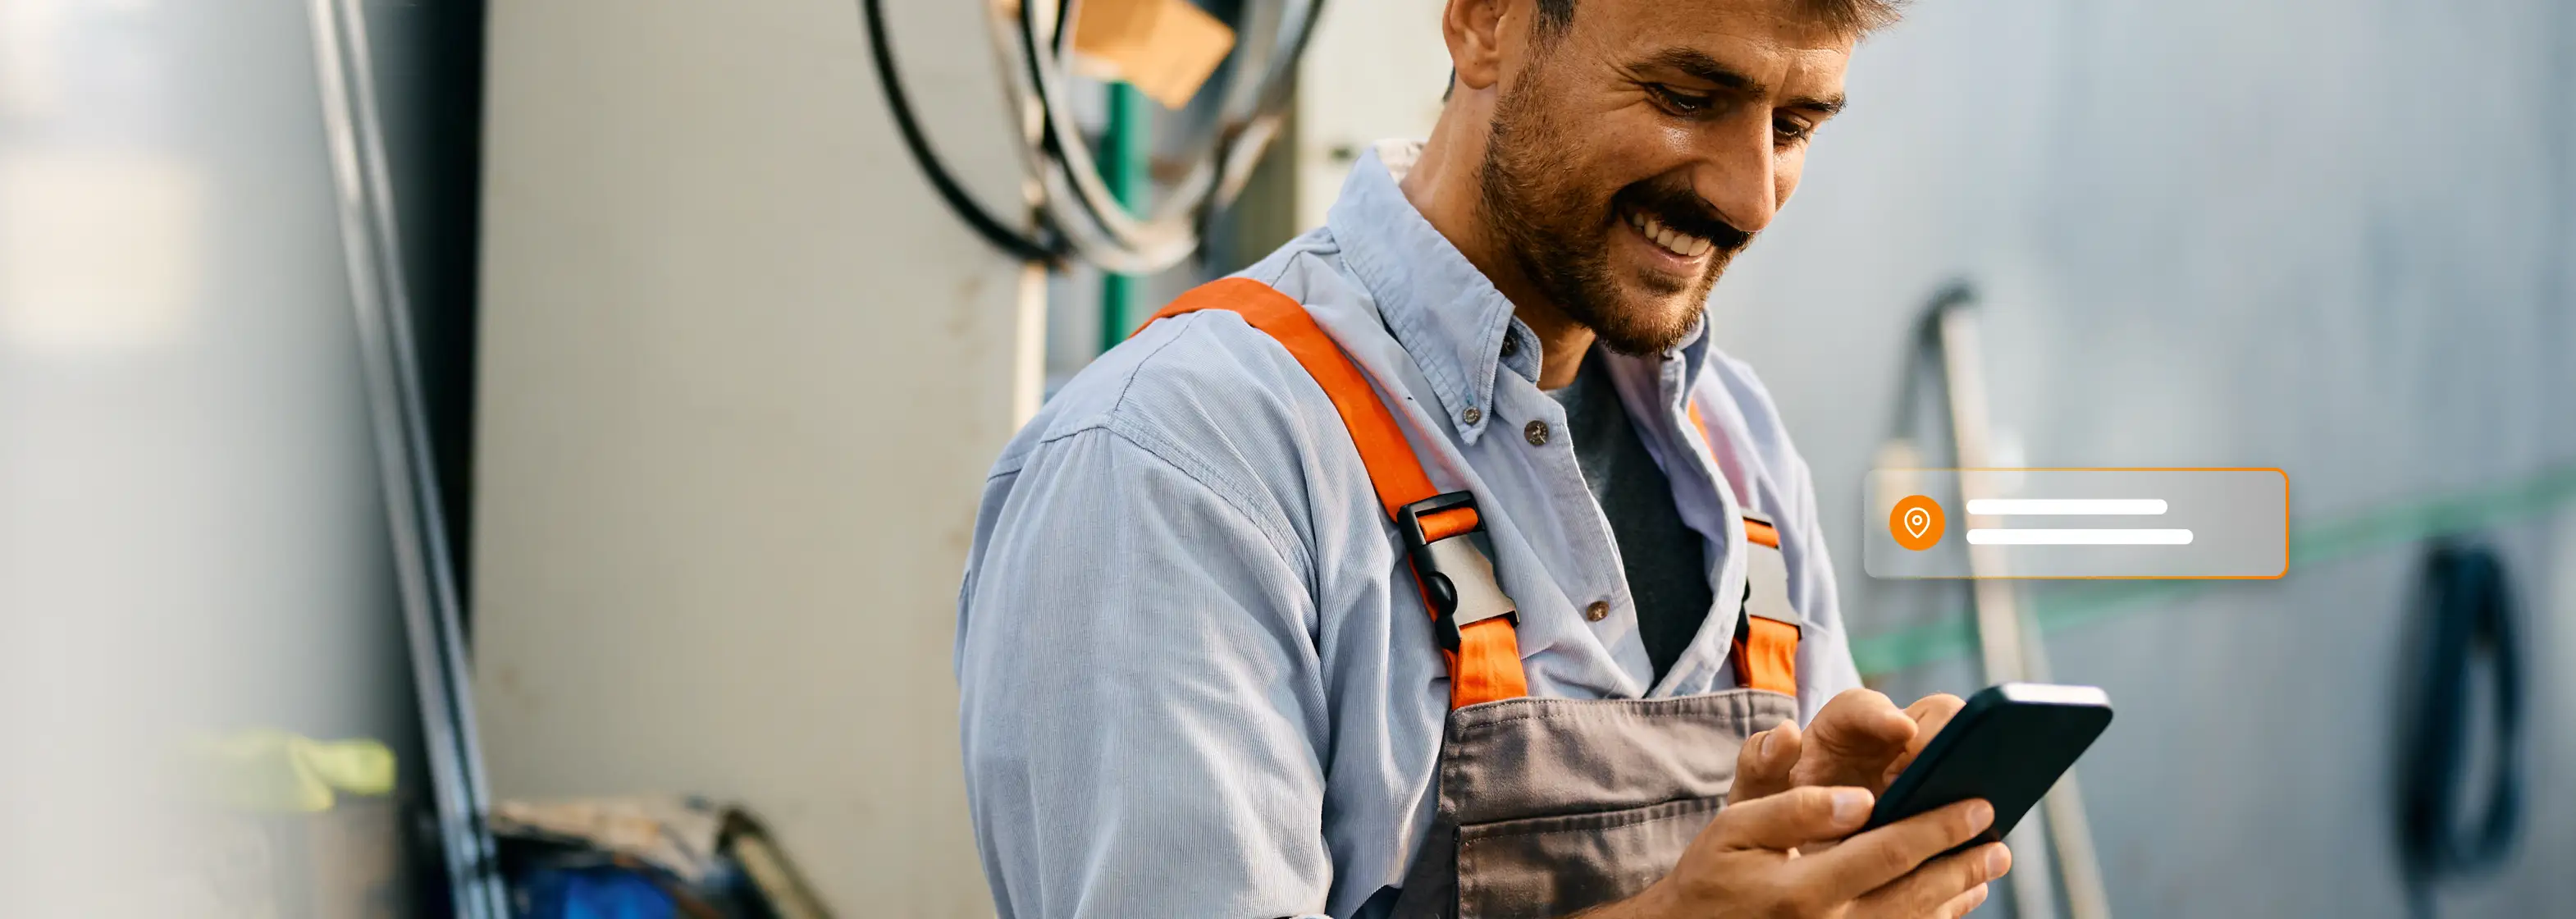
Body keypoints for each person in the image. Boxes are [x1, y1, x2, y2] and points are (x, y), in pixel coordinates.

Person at [954, 1, 2010, 916]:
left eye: (1792, 125)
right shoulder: (1180, 457)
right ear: (1481, 21)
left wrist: (1836, 863)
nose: (1748, 197)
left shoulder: (1732, 435)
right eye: (1687, 95)